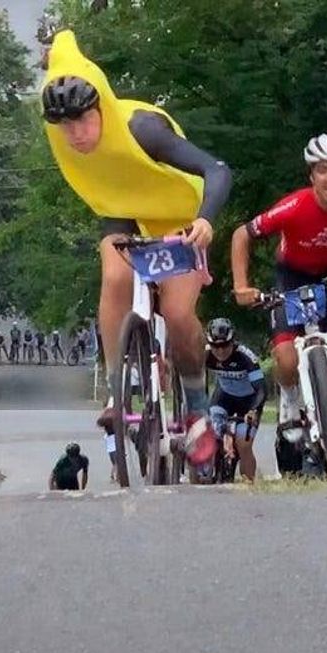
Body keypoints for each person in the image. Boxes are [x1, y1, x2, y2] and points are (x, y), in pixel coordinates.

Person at [40, 30, 232, 467]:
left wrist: (204, 220)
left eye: (85, 121)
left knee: (180, 314)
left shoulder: (144, 129)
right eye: (66, 126)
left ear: (101, 108)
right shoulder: (66, 131)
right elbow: (66, 53)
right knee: (115, 276)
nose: (77, 135)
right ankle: (116, 392)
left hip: (179, 215)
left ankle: (199, 411)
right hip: (124, 210)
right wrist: (55, 47)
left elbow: (217, 169)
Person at [231, 134, 327, 480]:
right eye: (322, 170)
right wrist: (241, 285)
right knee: (285, 358)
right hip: (291, 280)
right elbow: (242, 234)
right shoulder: (294, 206)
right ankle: (290, 396)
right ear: (311, 175)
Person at [204, 318, 267, 481]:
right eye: (215, 346)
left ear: (233, 341)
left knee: (244, 444)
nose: (220, 351)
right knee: (211, 432)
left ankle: (249, 483)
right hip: (224, 398)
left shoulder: (245, 357)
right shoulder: (205, 355)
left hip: (250, 401)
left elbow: (261, 389)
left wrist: (254, 410)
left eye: (225, 345)